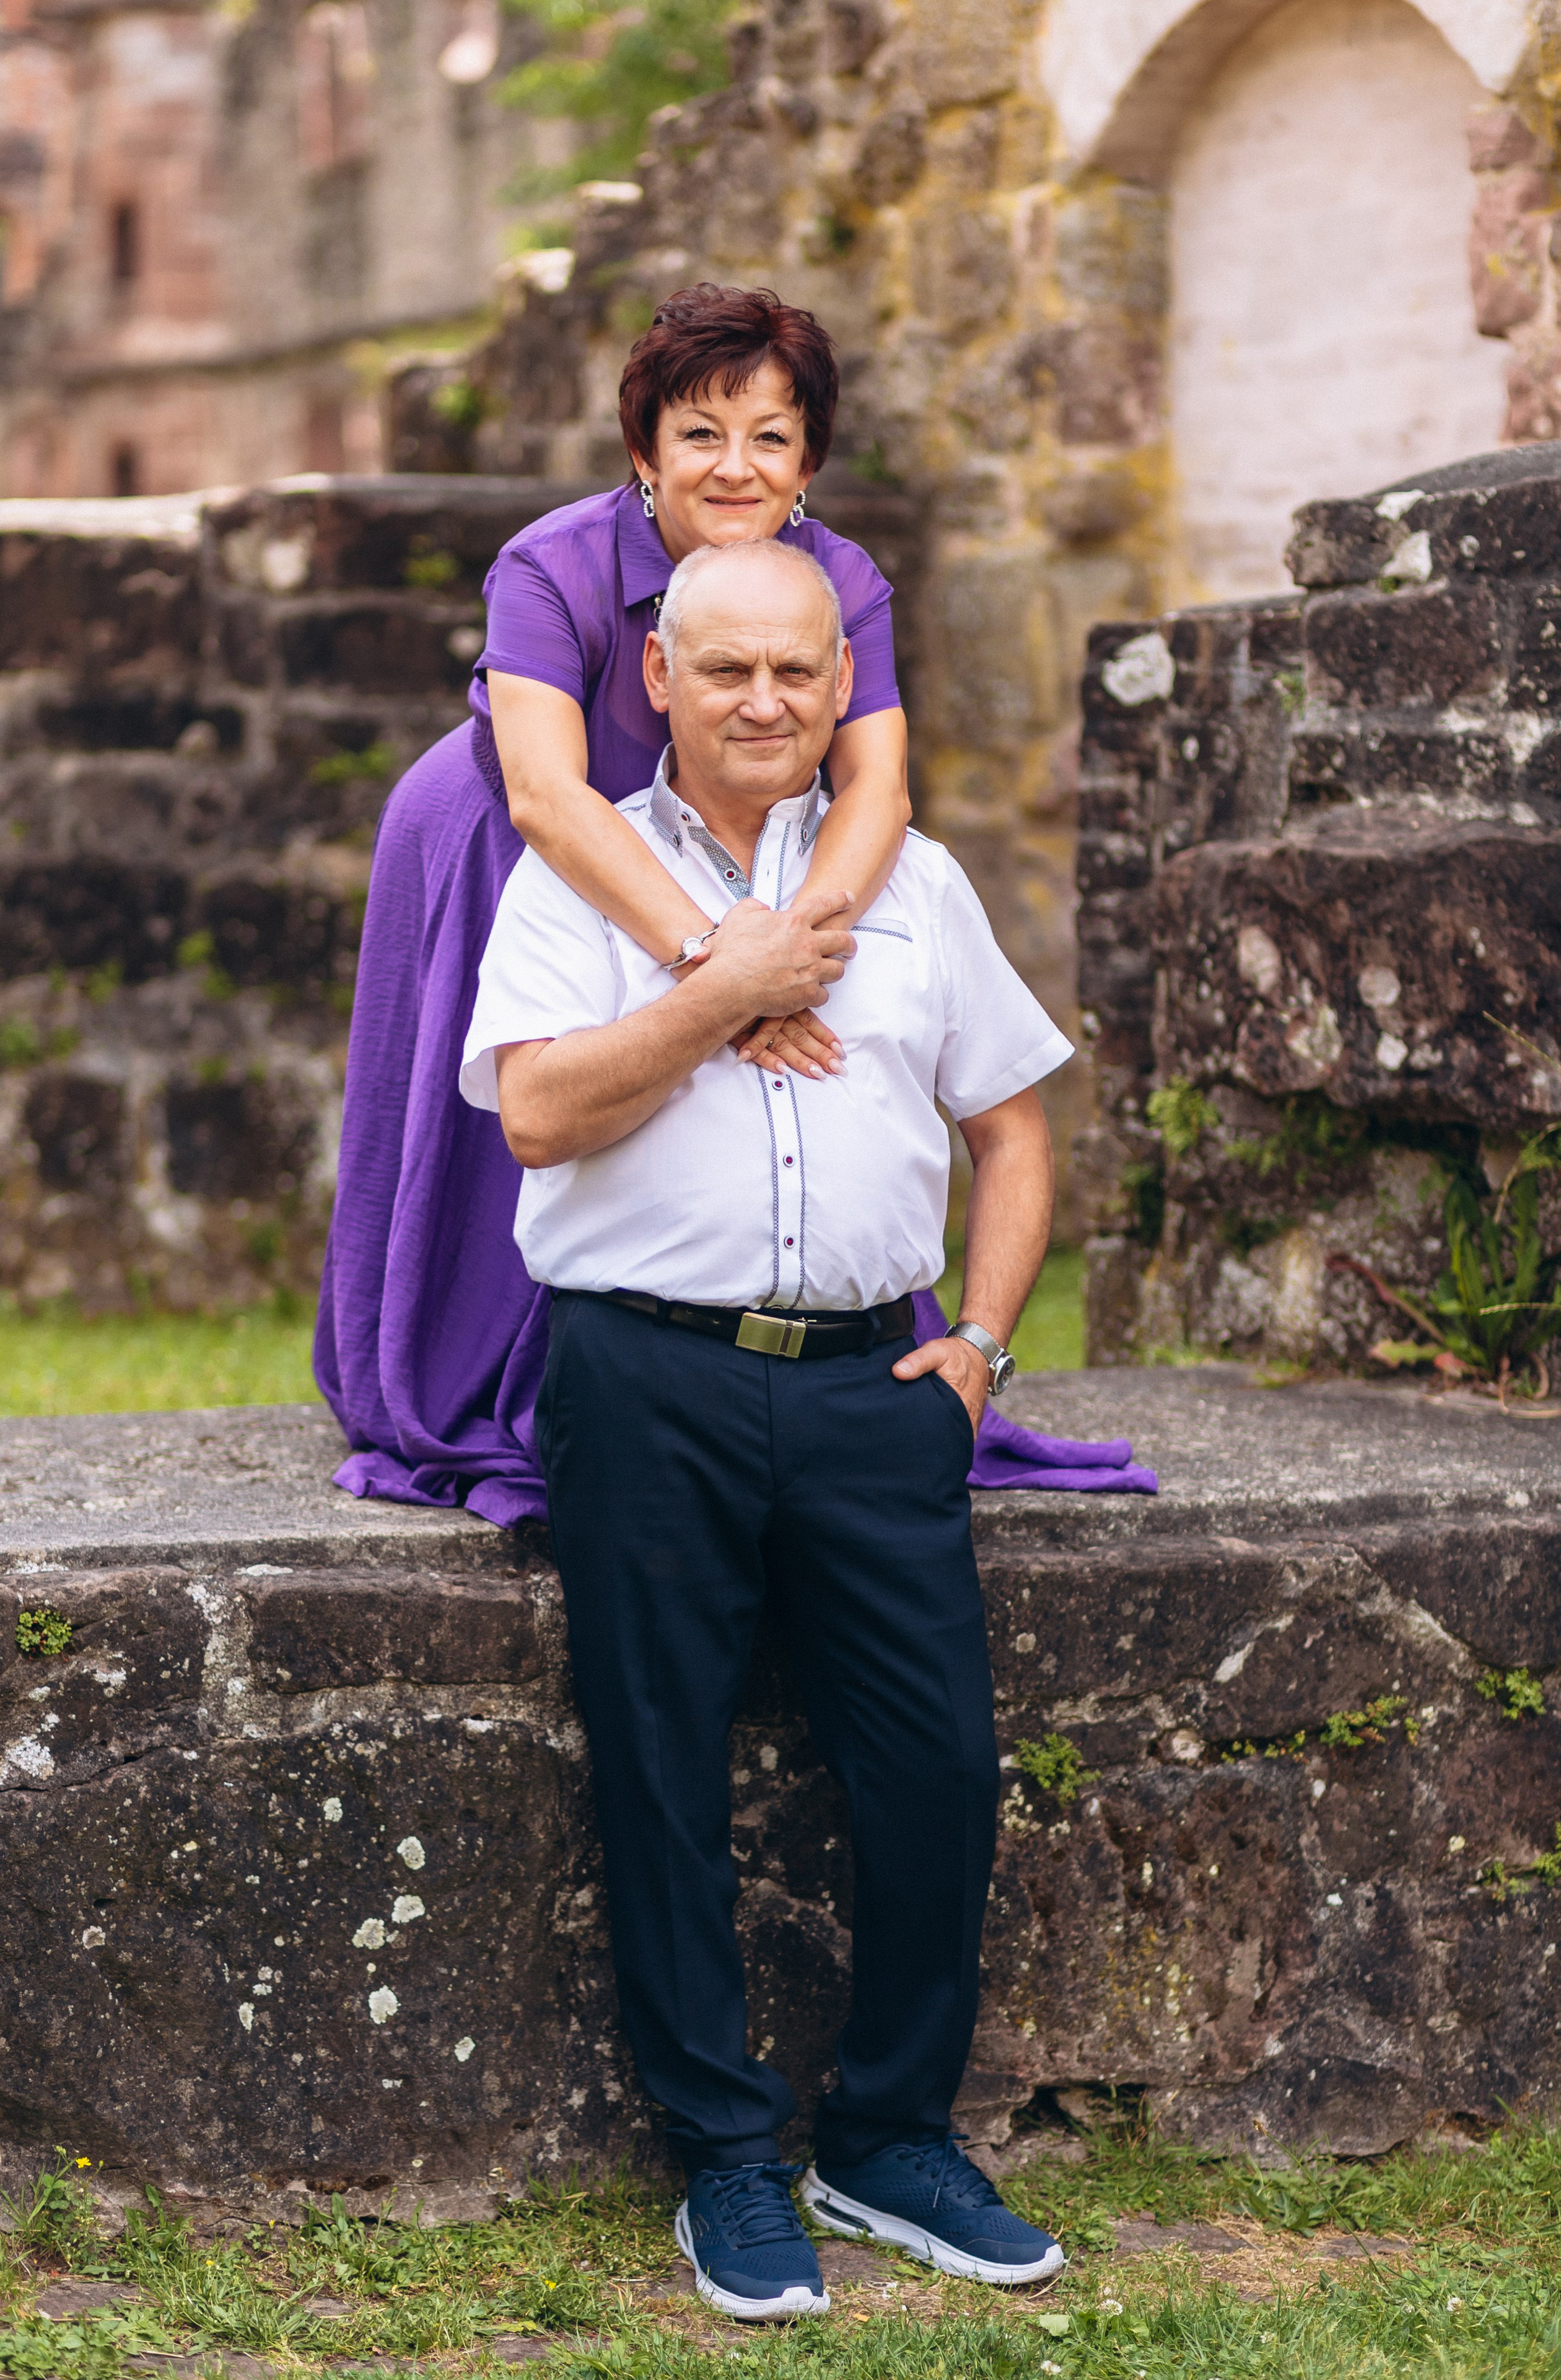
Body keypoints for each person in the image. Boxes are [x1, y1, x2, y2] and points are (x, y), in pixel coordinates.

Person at [458, 536, 1070, 2319]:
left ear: (840, 688)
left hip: (876, 1387)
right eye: (725, 670)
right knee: (664, 1768)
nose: (764, 702)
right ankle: (725, 2157)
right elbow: (538, 1116)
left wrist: (982, 1344)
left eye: (799, 674)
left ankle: (885, 2138)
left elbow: (1016, 1133)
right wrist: (718, 994)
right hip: (649, 1379)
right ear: (655, 673)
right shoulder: (579, 878)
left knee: (940, 1764)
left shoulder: (921, 883)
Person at [315, 281, 1157, 1519]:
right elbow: (549, 793)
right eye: (701, 432)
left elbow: (875, 791)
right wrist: (723, 964)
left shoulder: (839, 575)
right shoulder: (550, 566)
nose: (735, 464)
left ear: (807, 453)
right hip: (507, 831)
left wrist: (798, 951)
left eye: (769, 435)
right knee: (530, 1085)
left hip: (727, 845)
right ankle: (484, 1369)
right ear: (643, 447)